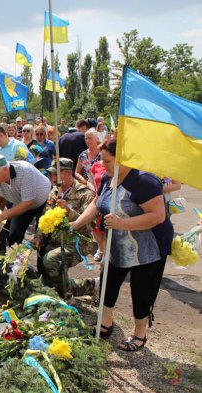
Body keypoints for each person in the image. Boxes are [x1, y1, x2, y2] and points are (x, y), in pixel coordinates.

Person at [71, 139, 173, 351]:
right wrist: (77, 223)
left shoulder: (145, 181)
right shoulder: (109, 176)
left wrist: (123, 223)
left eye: (108, 161)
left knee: (141, 290)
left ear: (124, 158)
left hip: (148, 247)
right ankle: (105, 324)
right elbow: (97, 202)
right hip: (117, 243)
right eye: (102, 161)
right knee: (109, 282)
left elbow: (158, 216)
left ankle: (139, 334)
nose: (103, 165)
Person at [32, 158, 97, 298]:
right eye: (51, 174)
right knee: (44, 269)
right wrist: (38, 236)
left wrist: (69, 211)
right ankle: (62, 290)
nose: (52, 178)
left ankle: (85, 287)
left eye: (56, 174)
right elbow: (45, 216)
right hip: (56, 239)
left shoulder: (84, 193)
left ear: (68, 173)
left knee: (50, 260)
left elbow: (89, 224)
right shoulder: (55, 191)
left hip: (77, 242)